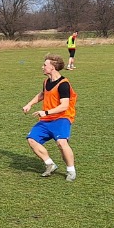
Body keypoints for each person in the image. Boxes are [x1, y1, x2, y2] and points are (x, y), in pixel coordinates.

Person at [22, 54, 77, 182]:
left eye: (45, 65)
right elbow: (43, 94)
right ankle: (50, 164)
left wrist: (46, 112)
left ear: (53, 67)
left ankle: (71, 170)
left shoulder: (63, 84)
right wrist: (29, 104)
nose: (42, 67)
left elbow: (64, 106)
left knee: (62, 143)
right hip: (47, 119)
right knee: (32, 140)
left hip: (62, 118)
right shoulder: (47, 81)